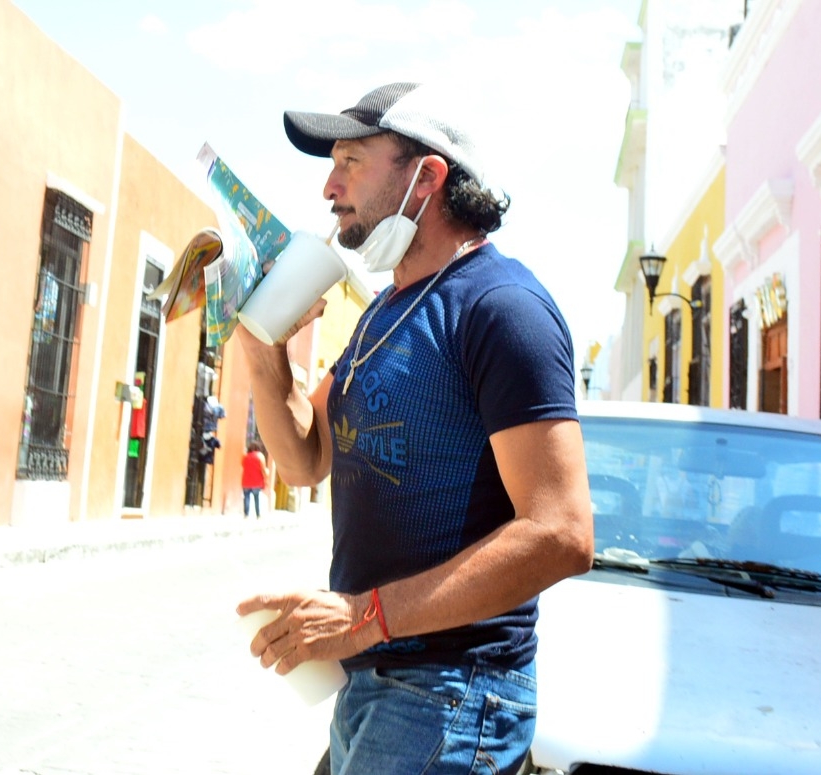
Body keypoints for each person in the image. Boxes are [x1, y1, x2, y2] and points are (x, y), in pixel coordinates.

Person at [234, 82, 593, 774]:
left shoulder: (503, 307)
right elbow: (305, 458)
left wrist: (361, 616)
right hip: (371, 684)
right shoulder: (383, 312)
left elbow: (563, 533)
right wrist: (261, 346)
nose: (330, 187)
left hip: (454, 693)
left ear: (426, 177)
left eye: (351, 161)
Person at [241, 442, 268, 518]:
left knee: (246, 498)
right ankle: (258, 514)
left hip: (246, 481)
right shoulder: (260, 456)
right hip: (256, 481)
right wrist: (266, 476)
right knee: (256, 499)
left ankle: (246, 514)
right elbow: (263, 469)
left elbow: (242, 465)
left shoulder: (245, 456)